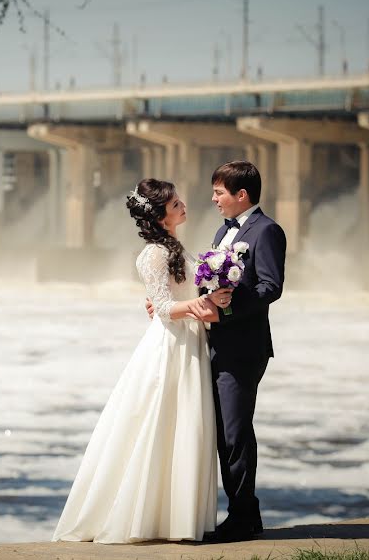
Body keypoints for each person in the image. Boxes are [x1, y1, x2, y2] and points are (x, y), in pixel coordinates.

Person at [52, 178, 231, 544]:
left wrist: (214, 297)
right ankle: (143, 517)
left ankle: (174, 519)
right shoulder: (153, 254)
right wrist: (200, 306)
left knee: (186, 426)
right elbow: (164, 308)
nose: (183, 205)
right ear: (159, 213)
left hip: (190, 340)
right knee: (163, 425)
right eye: (175, 202)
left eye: (180, 200)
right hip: (172, 347)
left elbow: (171, 298)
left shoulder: (174, 246)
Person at [201, 160, 286, 543]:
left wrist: (227, 308)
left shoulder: (267, 231)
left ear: (242, 195)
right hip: (217, 343)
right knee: (224, 433)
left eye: (219, 192)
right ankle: (243, 515)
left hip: (244, 347)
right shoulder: (224, 230)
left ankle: (243, 518)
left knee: (235, 433)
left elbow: (270, 286)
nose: (214, 199)